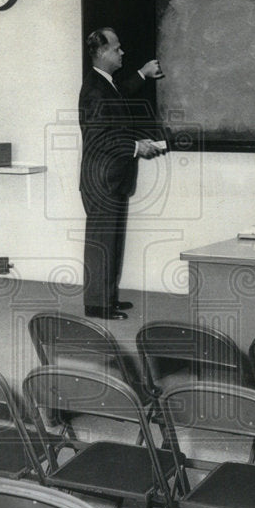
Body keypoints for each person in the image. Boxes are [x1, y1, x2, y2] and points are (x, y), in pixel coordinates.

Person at [78, 27, 166, 320]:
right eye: (116, 49)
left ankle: (107, 299)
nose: (121, 52)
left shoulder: (106, 84)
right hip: (101, 179)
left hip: (111, 177)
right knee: (102, 244)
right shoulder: (94, 89)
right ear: (102, 53)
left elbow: (120, 96)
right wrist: (136, 146)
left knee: (111, 242)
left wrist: (142, 74)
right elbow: (97, 138)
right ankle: (97, 305)